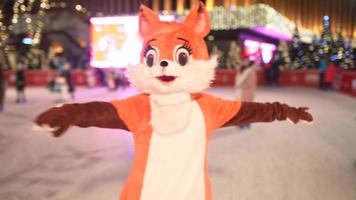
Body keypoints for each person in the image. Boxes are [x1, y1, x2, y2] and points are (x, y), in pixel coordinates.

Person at [235, 56, 257, 129]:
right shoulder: (241, 69)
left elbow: (253, 83)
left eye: (247, 61)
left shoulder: (250, 71)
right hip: (241, 91)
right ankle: (242, 122)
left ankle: (246, 122)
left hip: (248, 92)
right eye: (244, 61)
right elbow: (237, 81)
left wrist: (248, 88)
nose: (245, 62)